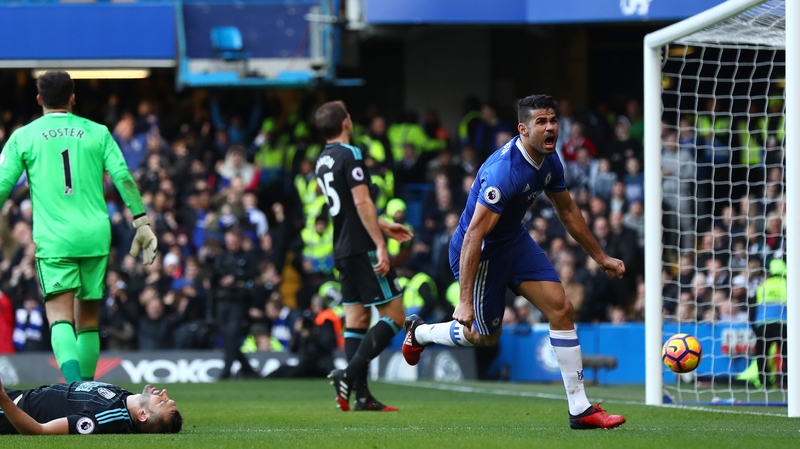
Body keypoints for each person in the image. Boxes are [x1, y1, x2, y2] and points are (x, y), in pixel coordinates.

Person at [402, 95, 626, 430]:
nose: (550, 127)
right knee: (485, 337)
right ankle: (420, 333)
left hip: (514, 242)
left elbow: (566, 211)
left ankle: (580, 410)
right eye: (541, 122)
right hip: (480, 254)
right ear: (523, 129)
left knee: (561, 309)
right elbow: (474, 237)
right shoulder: (503, 173)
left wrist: (601, 257)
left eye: (553, 120)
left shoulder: (550, 161)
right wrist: (463, 300)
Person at [0, 71, 157, 383]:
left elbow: (3, 184)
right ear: (73, 98)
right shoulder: (98, 132)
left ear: (39, 100)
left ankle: (74, 392)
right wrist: (142, 222)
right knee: (87, 320)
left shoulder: (24, 136)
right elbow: (123, 176)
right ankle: (89, 391)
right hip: (95, 236)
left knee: (59, 318)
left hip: (55, 238)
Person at [314, 101, 414, 412]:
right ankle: (348, 374)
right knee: (395, 315)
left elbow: (347, 209)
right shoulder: (351, 154)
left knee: (356, 320)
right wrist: (380, 243)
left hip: (342, 248)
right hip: (363, 247)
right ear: (345, 122)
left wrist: (384, 224)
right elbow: (361, 203)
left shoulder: (322, 161)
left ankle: (362, 397)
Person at [0, 379, 182, 435]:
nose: (164, 392)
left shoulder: (107, 416)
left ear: (143, 415)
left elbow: (39, 431)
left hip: (9, 411)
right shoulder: (127, 399)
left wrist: (4, 400)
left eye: (162, 401)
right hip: (18, 394)